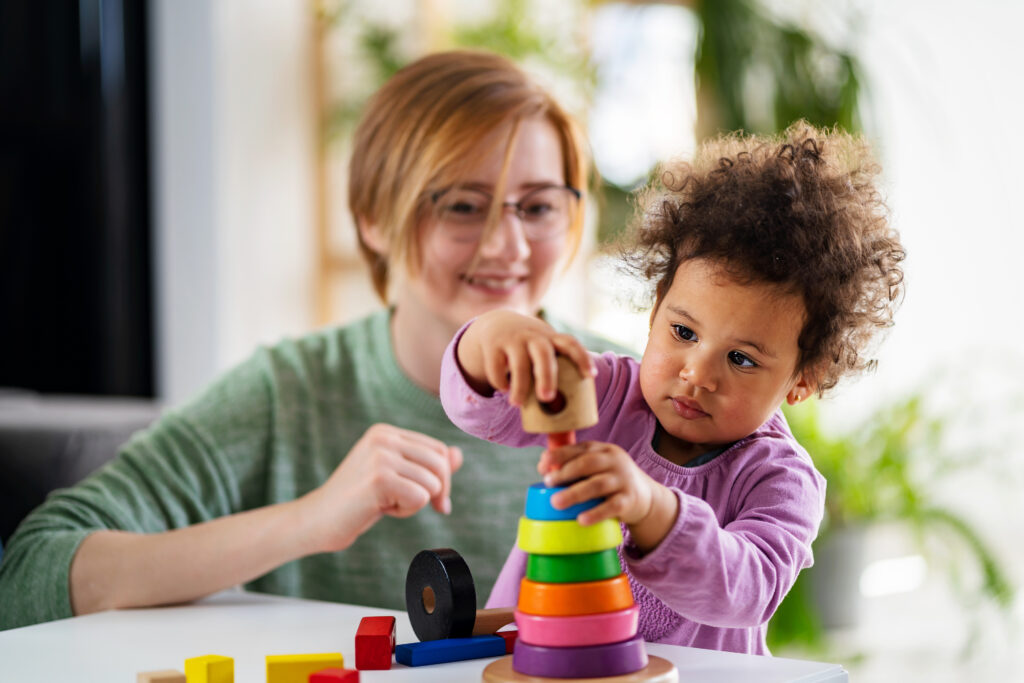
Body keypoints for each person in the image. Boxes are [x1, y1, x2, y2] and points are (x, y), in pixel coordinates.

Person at [0, 50, 631, 630]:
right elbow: (31, 575)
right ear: (373, 219)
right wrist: (309, 519)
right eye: (463, 206)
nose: (507, 247)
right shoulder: (288, 393)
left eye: (540, 206)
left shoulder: (638, 393)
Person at [440, 122, 906, 655]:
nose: (697, 374)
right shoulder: (609, 394)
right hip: (542, 663)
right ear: (656, 308)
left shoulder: (780, 480)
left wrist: (652, 509)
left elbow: (748, 589)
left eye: (741, 359)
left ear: (801, 381)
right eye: (683, 333)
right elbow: (482, 411)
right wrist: (492, 338)